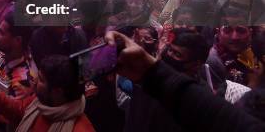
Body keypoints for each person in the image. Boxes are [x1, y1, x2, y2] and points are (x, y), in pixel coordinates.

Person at [106, 30, 265, 132]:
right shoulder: (148, 80)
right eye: (169, 50)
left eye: (177, 54)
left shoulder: (200, 96)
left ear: (196, 64)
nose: (169, 56)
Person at [0, 54, 94, 132]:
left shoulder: (80, 128)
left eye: (41, 80)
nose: (35, 81)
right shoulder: (41, 102)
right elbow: (18, 109)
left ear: (57, 92)